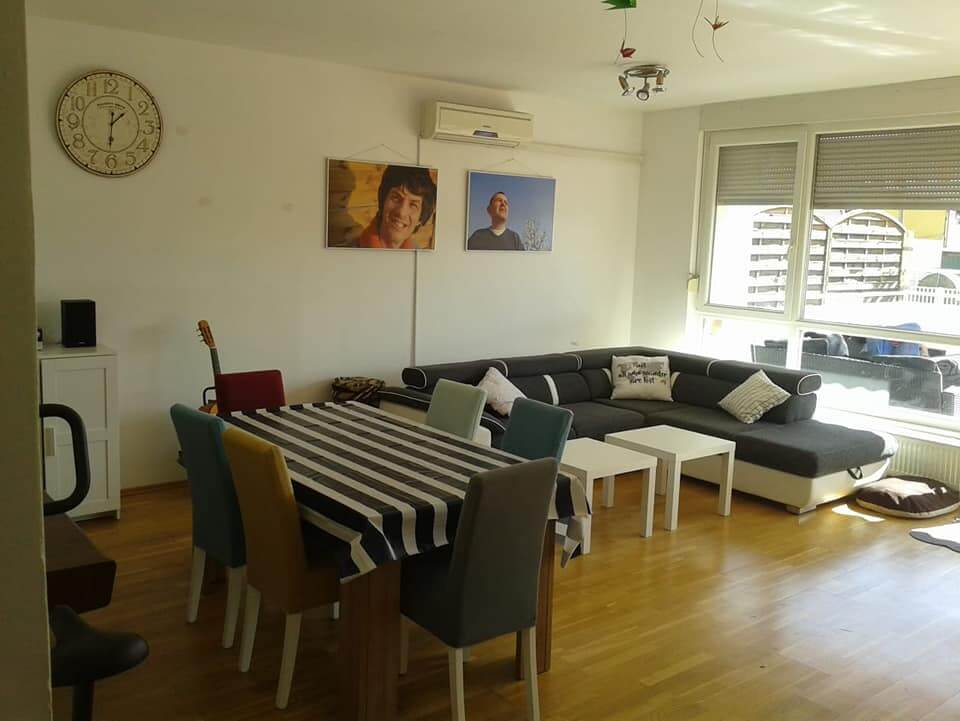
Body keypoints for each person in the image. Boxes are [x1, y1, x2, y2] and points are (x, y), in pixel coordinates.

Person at [356, 165, 437, 249]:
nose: (401, 212)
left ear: (420, 218)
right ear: (383, 200)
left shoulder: (420, 255)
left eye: (413, 205)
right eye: (396, 198)